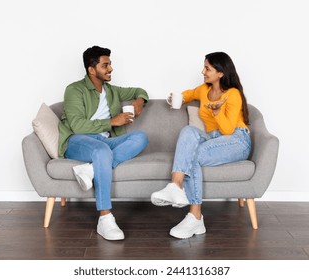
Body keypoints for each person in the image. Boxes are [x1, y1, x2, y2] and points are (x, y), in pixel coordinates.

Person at [151, 52, 251, 239]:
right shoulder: (203, 90)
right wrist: (175, 98)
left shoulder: (233, 94)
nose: (202, 71)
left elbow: (228, 130)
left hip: (236, 141)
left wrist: (217, 112)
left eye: (207, 68)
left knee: (191, 156)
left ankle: (194, 214)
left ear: (220, 73)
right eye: (204, 67)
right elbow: (188, 95)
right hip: (212, 140)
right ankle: (177, 189)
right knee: (188, 131)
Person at [58, 46, 149, 240]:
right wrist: (111, 121)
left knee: (140, 137)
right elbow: (77, 125)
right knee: (101, 150)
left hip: (105, 142)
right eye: (105, 65)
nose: (110, 68)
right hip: (78, 141)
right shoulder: (74, 90)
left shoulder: (111, 91)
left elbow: (139, 91)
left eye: (110, 64)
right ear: (92, 70)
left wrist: (139, 101)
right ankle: (105, 218)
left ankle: (91, 169)